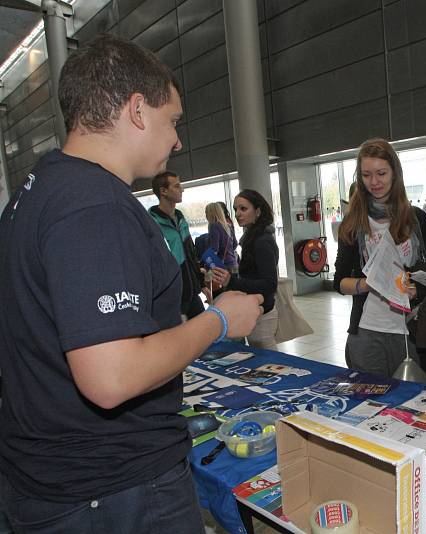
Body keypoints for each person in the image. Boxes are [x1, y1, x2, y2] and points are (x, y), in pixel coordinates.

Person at [0, 34, 263, 533]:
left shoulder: (33, 196)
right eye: (174, 121)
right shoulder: (93, 205)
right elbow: (111, 378)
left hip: (50, 478)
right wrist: (220, 319)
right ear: (137, 110)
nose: (177, 141)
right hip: (113, 491)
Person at [333, 138, 426, 378]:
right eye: (366, 175)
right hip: (367, 330)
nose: (374, 182)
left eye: (381, 173)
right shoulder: (353, 224)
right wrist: (367, 284)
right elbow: (339, 282)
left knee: (415, 405)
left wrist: (417, 286)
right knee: (371, 404)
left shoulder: (416, 219)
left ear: (395, 173)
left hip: (413, 331)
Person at [211, 189, 280, 349]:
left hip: (263, 312)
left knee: (268, 359)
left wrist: (232, 281)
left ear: (257, 211)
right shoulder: (252, 238)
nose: (237, 214)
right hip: (256, 308)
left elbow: (270, 284)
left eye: (243, 208)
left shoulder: (261, 241)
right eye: (235, 209)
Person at [149, 170, 205, 318]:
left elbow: (191, 254)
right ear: (163, 191)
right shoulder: (151, 223)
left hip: (191, 292)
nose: (182, 189)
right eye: (177, 186)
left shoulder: (181, 219)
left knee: (204, 334)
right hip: (172, 297)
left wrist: (202, 283)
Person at [205, 202, 239, 271]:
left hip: (223, 266)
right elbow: (235, 244)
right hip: (233, 264)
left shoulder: (214, 226)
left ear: (211, 213)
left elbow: (214, 250)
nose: (206, 215)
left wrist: (207, 264)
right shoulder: (229, 226)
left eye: (206, 212)